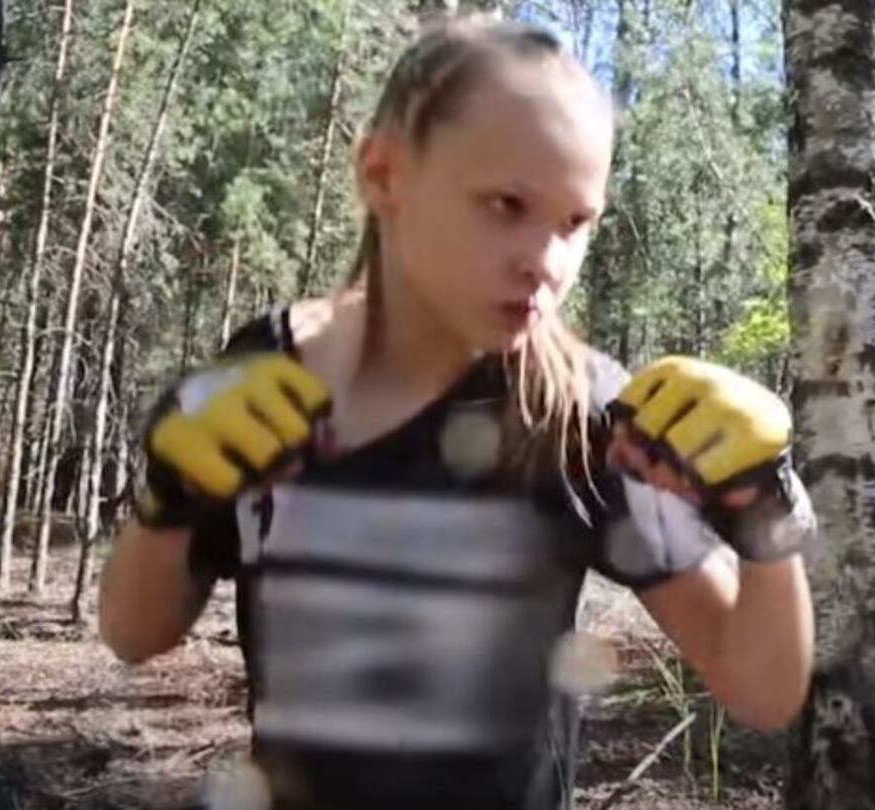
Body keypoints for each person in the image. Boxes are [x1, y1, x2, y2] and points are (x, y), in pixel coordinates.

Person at [97, 14, 815, 810]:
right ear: (384, 174)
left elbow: (761, 689)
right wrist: (166, 495)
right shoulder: (271, 373)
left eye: (575, 222)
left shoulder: (576, 412)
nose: (546, 262)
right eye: (506, 204)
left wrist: (766, 508)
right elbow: (134, 632)